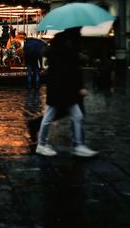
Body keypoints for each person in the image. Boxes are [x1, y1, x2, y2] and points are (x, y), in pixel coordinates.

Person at [35, 27, 98, 157]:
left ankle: (78, 144)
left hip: (63, 89)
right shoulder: (63, 50)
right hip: (61, 89)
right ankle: (42, 144)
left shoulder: (63, 48)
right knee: (50, 116)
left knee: (76, 116)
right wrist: (78, 87)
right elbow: (67, 71)